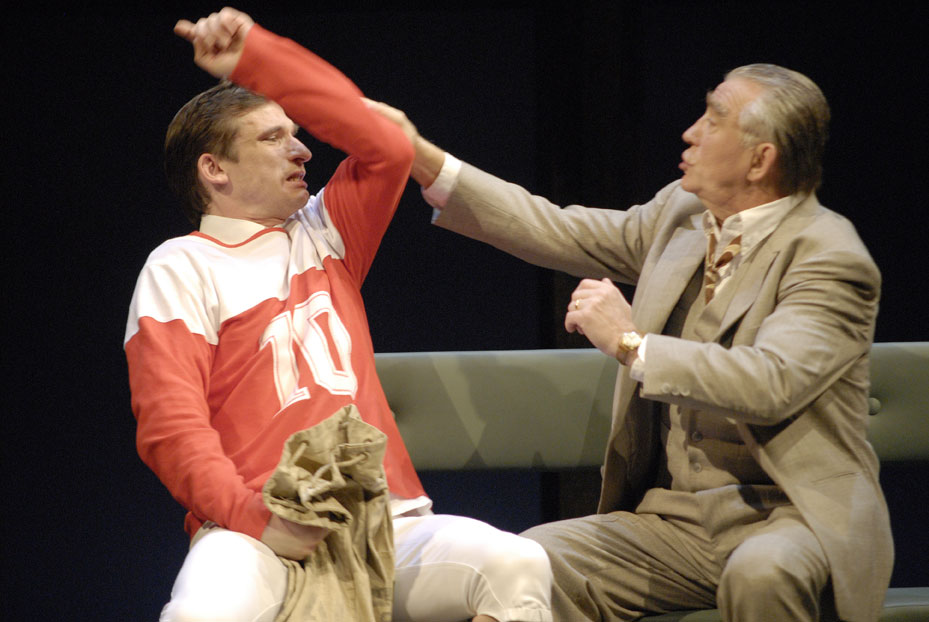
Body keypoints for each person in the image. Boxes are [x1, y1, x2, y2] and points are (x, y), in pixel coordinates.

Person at [365, 62, 893, 621]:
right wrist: (421, 157)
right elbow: (559, 229)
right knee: (528, 562)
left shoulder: (827, 255)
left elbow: (771, 383)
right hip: (675, 524)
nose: (691, 133)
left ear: (760, 160)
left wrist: (631, 343)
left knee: (761, 573)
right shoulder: (683, 214)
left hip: (789, 515)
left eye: (714, 120)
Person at [124, 8, 552, 622]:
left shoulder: (325, 233)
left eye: (295, 133)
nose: (302, 151)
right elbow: (172, 428)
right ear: (214, 169)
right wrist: (258, 519)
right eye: (272, 138)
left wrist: (255, 58)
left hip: (385, 522)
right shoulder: (179, 266)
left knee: (516, 565)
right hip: (253, 532)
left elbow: (386, 144)